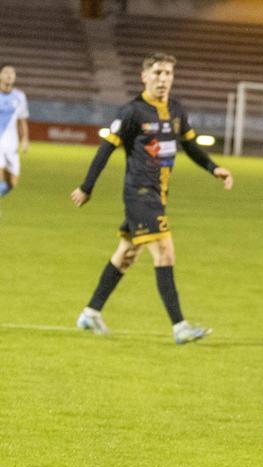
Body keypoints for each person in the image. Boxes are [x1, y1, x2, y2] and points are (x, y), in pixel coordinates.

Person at [71, 53, 231, 343]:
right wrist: (86, 186)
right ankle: (180, 326)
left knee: (127, 254)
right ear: (144, 77)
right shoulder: (132, 112)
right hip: (139, 194)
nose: (163, 79)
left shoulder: (177, 110)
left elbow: (190, 145)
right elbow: (105, 150)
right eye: (157, 73)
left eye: (168, 73)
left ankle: (90, 312)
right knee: (165, 251)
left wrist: (213, 168)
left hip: (158, 196)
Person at [0, 64, 30, 205]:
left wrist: (25, 139)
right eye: (6, 72)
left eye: (12, 72)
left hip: (12, 145)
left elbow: (22, 120)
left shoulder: (19, 96)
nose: (9, 75)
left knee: (12, 183)